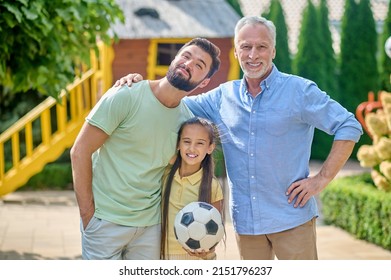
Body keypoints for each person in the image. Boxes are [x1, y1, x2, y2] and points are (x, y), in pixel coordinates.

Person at [116, 16, 363, 260]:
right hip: (247, 226)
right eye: (246, 46)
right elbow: (171, 101)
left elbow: (348, 125)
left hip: (292, 220)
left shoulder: (299, 91)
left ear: (273, 51)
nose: (253, 55)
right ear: (236, 52)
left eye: (261, 47)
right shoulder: (222, 97)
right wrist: (141, 85)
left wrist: (321, 179)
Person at [70, 37, 221, 260]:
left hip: (150, 228)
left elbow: (188, 178)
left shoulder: (186, 123)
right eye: (186, 56)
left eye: (199, 65)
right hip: (104, 222)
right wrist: (87, 214)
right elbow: (79, 151)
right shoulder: (126, 94)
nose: (189, 64)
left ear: (204, 82)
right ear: (175, 58)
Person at [161, 117, 224, 260]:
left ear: (210, 148)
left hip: (198, 258)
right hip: (163, 255)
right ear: (178, 144)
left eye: (200, 143)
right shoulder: (165, 174)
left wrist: (207, 250)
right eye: (187, 141)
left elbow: (216, 228)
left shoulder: (212, 185)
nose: (191, 148)